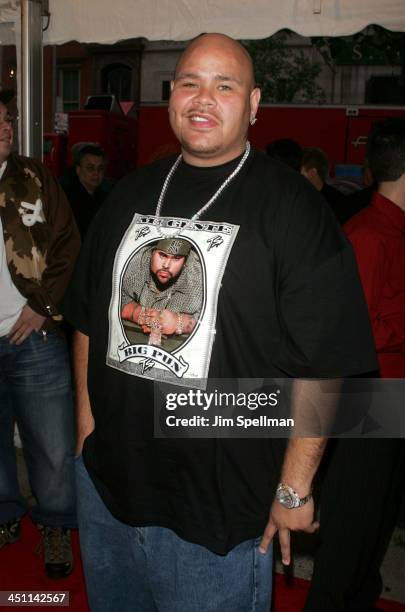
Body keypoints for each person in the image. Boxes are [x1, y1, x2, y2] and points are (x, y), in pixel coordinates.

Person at [62, 34, 377, 611]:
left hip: (218, 516)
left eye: (224, 86)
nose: (203, 98)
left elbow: (328, 365)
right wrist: (86, 432)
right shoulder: (128, 194)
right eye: (189, 83)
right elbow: (86, 317)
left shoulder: (295, 210)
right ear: (171, 97)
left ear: (253, 104)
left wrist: (293, 487)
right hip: (108, 490)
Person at [304, 118, 405, 611]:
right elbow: (351, 330)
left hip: (389, 395)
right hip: (369, 399)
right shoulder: (369, 233)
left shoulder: (389, 229)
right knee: (352, 527)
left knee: (377, 520)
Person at [0, 90, 80, 578]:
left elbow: (69, 242)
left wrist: (42, 305)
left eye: (7, 119)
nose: (6, 128)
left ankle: (55, 525)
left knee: (51, 443)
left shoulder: (32, 177)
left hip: (33, 335)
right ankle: (6, 513)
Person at [121, 237, 203, 349]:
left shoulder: (200, 278)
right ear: (151, 252)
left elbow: (216, 321)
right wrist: (137, 313)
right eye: (162, 255)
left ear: (185, 260)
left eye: (176, 258)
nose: (166, 265)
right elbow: (109, 296)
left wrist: (180, 323)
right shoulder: (133, 263)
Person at [60, 144, 111, 238]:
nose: (96, 173)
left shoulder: (107, 196)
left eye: (100, 168)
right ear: (78, 170)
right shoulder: (66, 199)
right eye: (90, 168)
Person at [300, 147, 348, 224]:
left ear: (313, 173)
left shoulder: (336, 204)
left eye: (299, 172)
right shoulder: (301, 198)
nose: (295, 176)